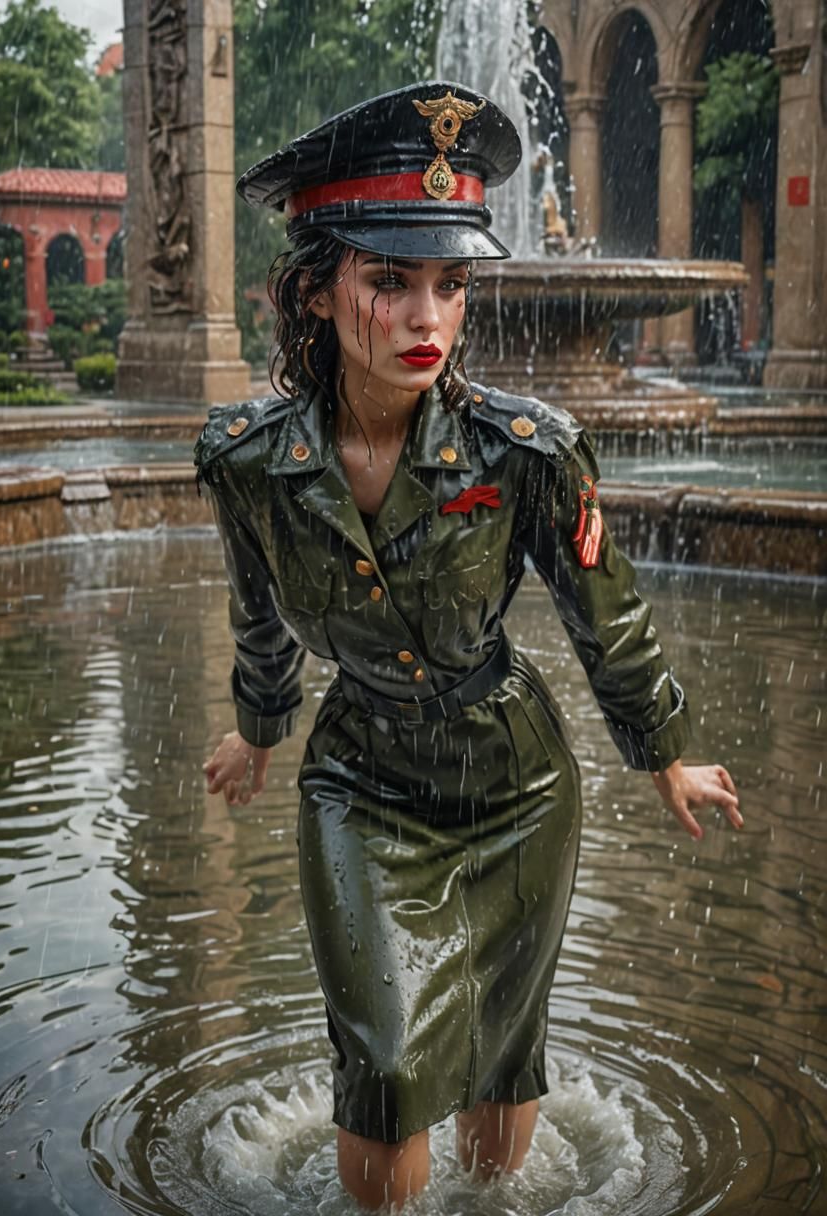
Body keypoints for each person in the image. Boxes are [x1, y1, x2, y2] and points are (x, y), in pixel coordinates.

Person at [195, 81, 742, 1212]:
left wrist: (665, 749)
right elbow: (257, 613)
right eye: (388, 282)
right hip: (358, 779)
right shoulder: (246, 461)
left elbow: (607, 611)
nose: (425, 318)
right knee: (386, 1067)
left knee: (501, 1050)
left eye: (449, 283)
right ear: (316, 292)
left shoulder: (526, 450)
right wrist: (259, 731)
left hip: (515, 782)